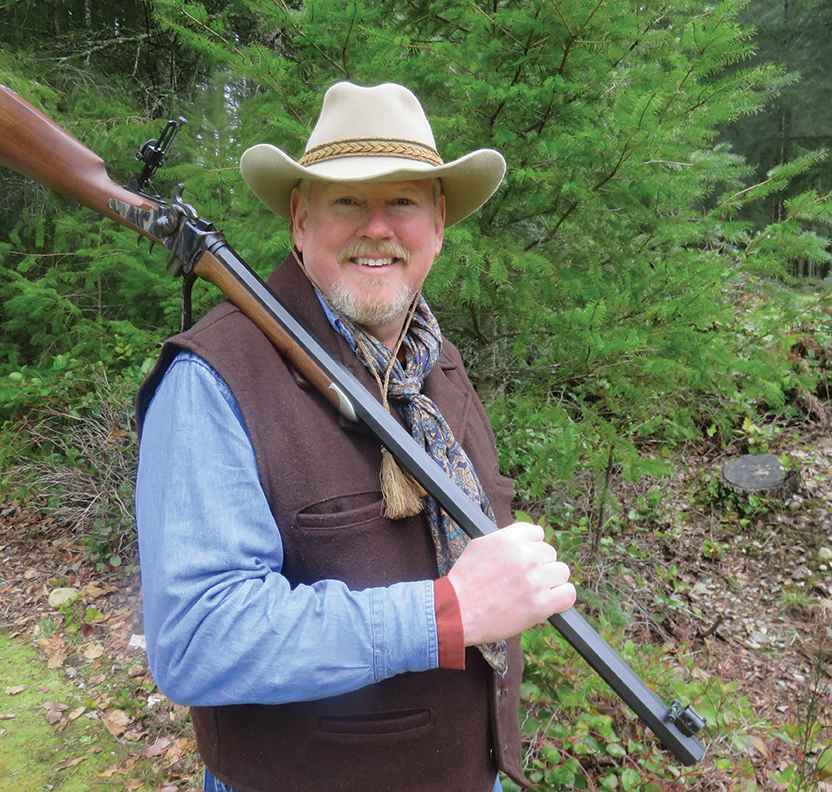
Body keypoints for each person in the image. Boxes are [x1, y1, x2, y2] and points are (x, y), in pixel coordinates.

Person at [135, 82, 576, 792]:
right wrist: (446, 614)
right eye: (347, 199)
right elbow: (195, 638)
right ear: (300, 220)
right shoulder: (212, 380)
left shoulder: (435, 363)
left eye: (402, 200)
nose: (378, 227)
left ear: (438, 223)